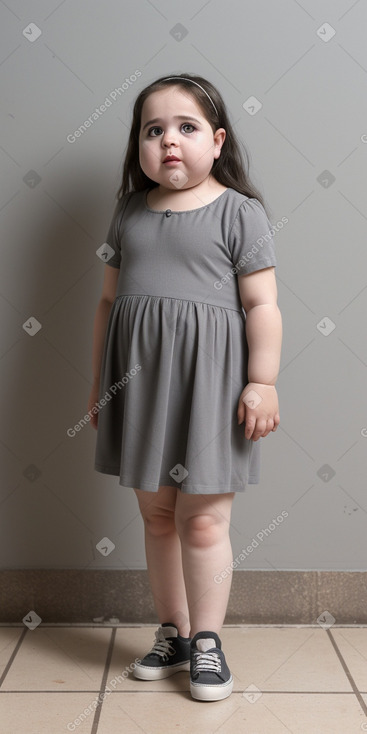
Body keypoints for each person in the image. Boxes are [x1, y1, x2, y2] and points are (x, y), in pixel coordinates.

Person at [88, 73, 282, 702]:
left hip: (211, 392)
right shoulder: (129, 214)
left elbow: (263, 306)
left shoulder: (239, 213)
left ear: (217, 141)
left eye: (186, 127)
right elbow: (108, 304)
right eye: (154, 130)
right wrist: (100, 386)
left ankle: (207, 640)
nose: (169, 141)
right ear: (139, 146)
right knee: (157, 514)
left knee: (204, 520)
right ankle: (172, 630)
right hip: (139, 389)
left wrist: (263, 381)